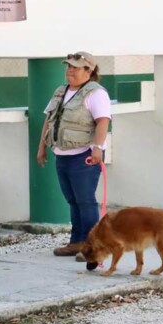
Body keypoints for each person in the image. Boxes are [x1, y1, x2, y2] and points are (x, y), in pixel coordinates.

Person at [36, 51, 111, 261]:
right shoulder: (61, 91)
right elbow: (49, 120)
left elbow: (103, 121)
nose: (69, 70)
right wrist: (41, 147)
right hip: (63, 155)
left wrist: (98, 148)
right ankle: (77, 242)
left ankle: (94, 247)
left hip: (84, 155)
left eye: (75, 68)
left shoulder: (95, 93)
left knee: (85, 201)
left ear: (88, 71)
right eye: (68, 67)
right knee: (73, 200)